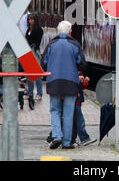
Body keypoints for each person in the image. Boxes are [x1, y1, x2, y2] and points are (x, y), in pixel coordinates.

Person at [42, 20, 87, 149]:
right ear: (70, 31)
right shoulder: (75, 44)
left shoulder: (51, 44)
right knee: (68, 112)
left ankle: (57, 136)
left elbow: (43, 63)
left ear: (57, 31)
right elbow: (83, 63)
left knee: (55, 110)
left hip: (53, 81)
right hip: (71, 82)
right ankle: (67, 143)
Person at [72, 74, 97, 146]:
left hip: (77, 101)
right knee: (79, 121)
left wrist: (84, 82)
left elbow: (81, 86)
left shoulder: (77, 71)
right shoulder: (73, 70)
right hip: (75, 101)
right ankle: (84, 138)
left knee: (76, 120)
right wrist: (78, 79)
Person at [26, 13, 43, 100]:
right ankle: (30, 93)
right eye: (29, 19)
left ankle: (39, 93)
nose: (30, 21)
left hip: (35, 51)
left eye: (32, 19)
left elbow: (37, 42)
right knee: (29, 74)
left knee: (37, 73)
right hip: (28, 52)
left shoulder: (39, 30)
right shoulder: (28, 29)